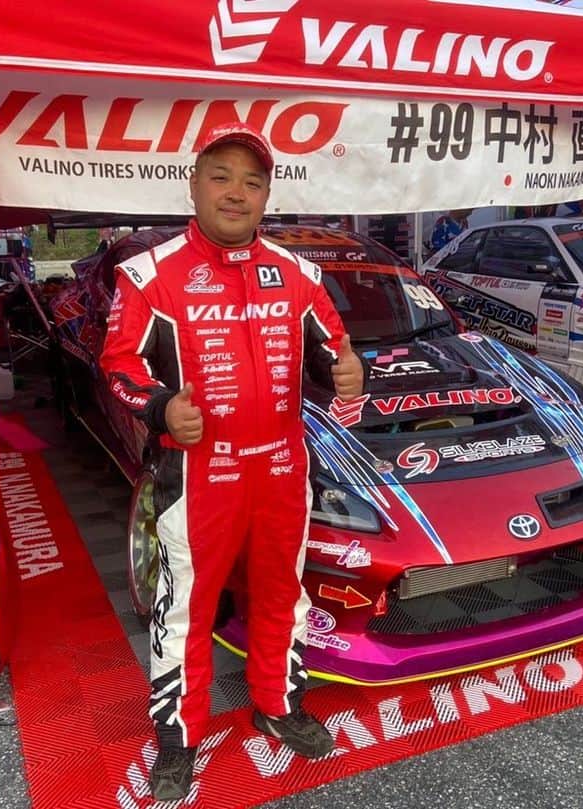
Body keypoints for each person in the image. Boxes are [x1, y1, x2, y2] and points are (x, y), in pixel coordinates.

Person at [100, 122, 365, 801]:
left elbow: (332, 352)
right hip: (198, 480)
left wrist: (346, 372)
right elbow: (118, 365)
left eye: (252, 182)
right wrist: (161, 407)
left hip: (281, 473)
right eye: (221, 177)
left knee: (283, 596)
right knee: (185, 611)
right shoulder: (150, 275)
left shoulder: (299, 274)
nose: (236, 193)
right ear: (193, 185)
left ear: (267, 195)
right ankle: (178, 738)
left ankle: (277, 704)